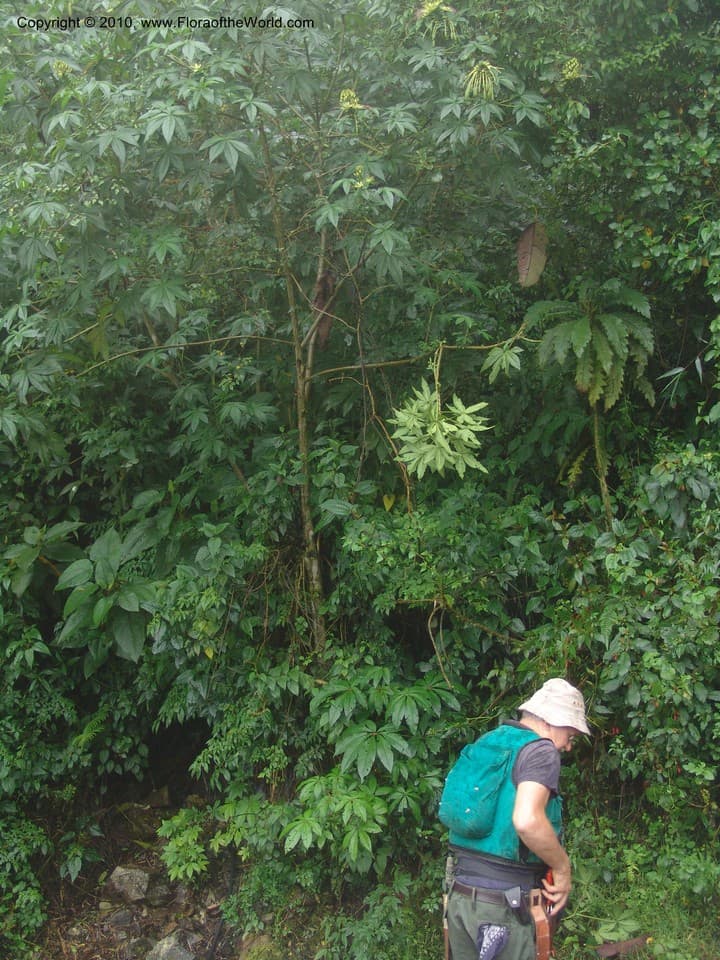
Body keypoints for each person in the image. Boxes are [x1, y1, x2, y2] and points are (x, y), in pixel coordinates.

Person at [441, 678, 590, 960]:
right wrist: (562, 868)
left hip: (460, 899)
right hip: (502, 909)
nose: (569, 746)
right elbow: (527, 820)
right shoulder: (541, 751)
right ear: (553, 721)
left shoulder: (491, 741)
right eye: (571, 735)